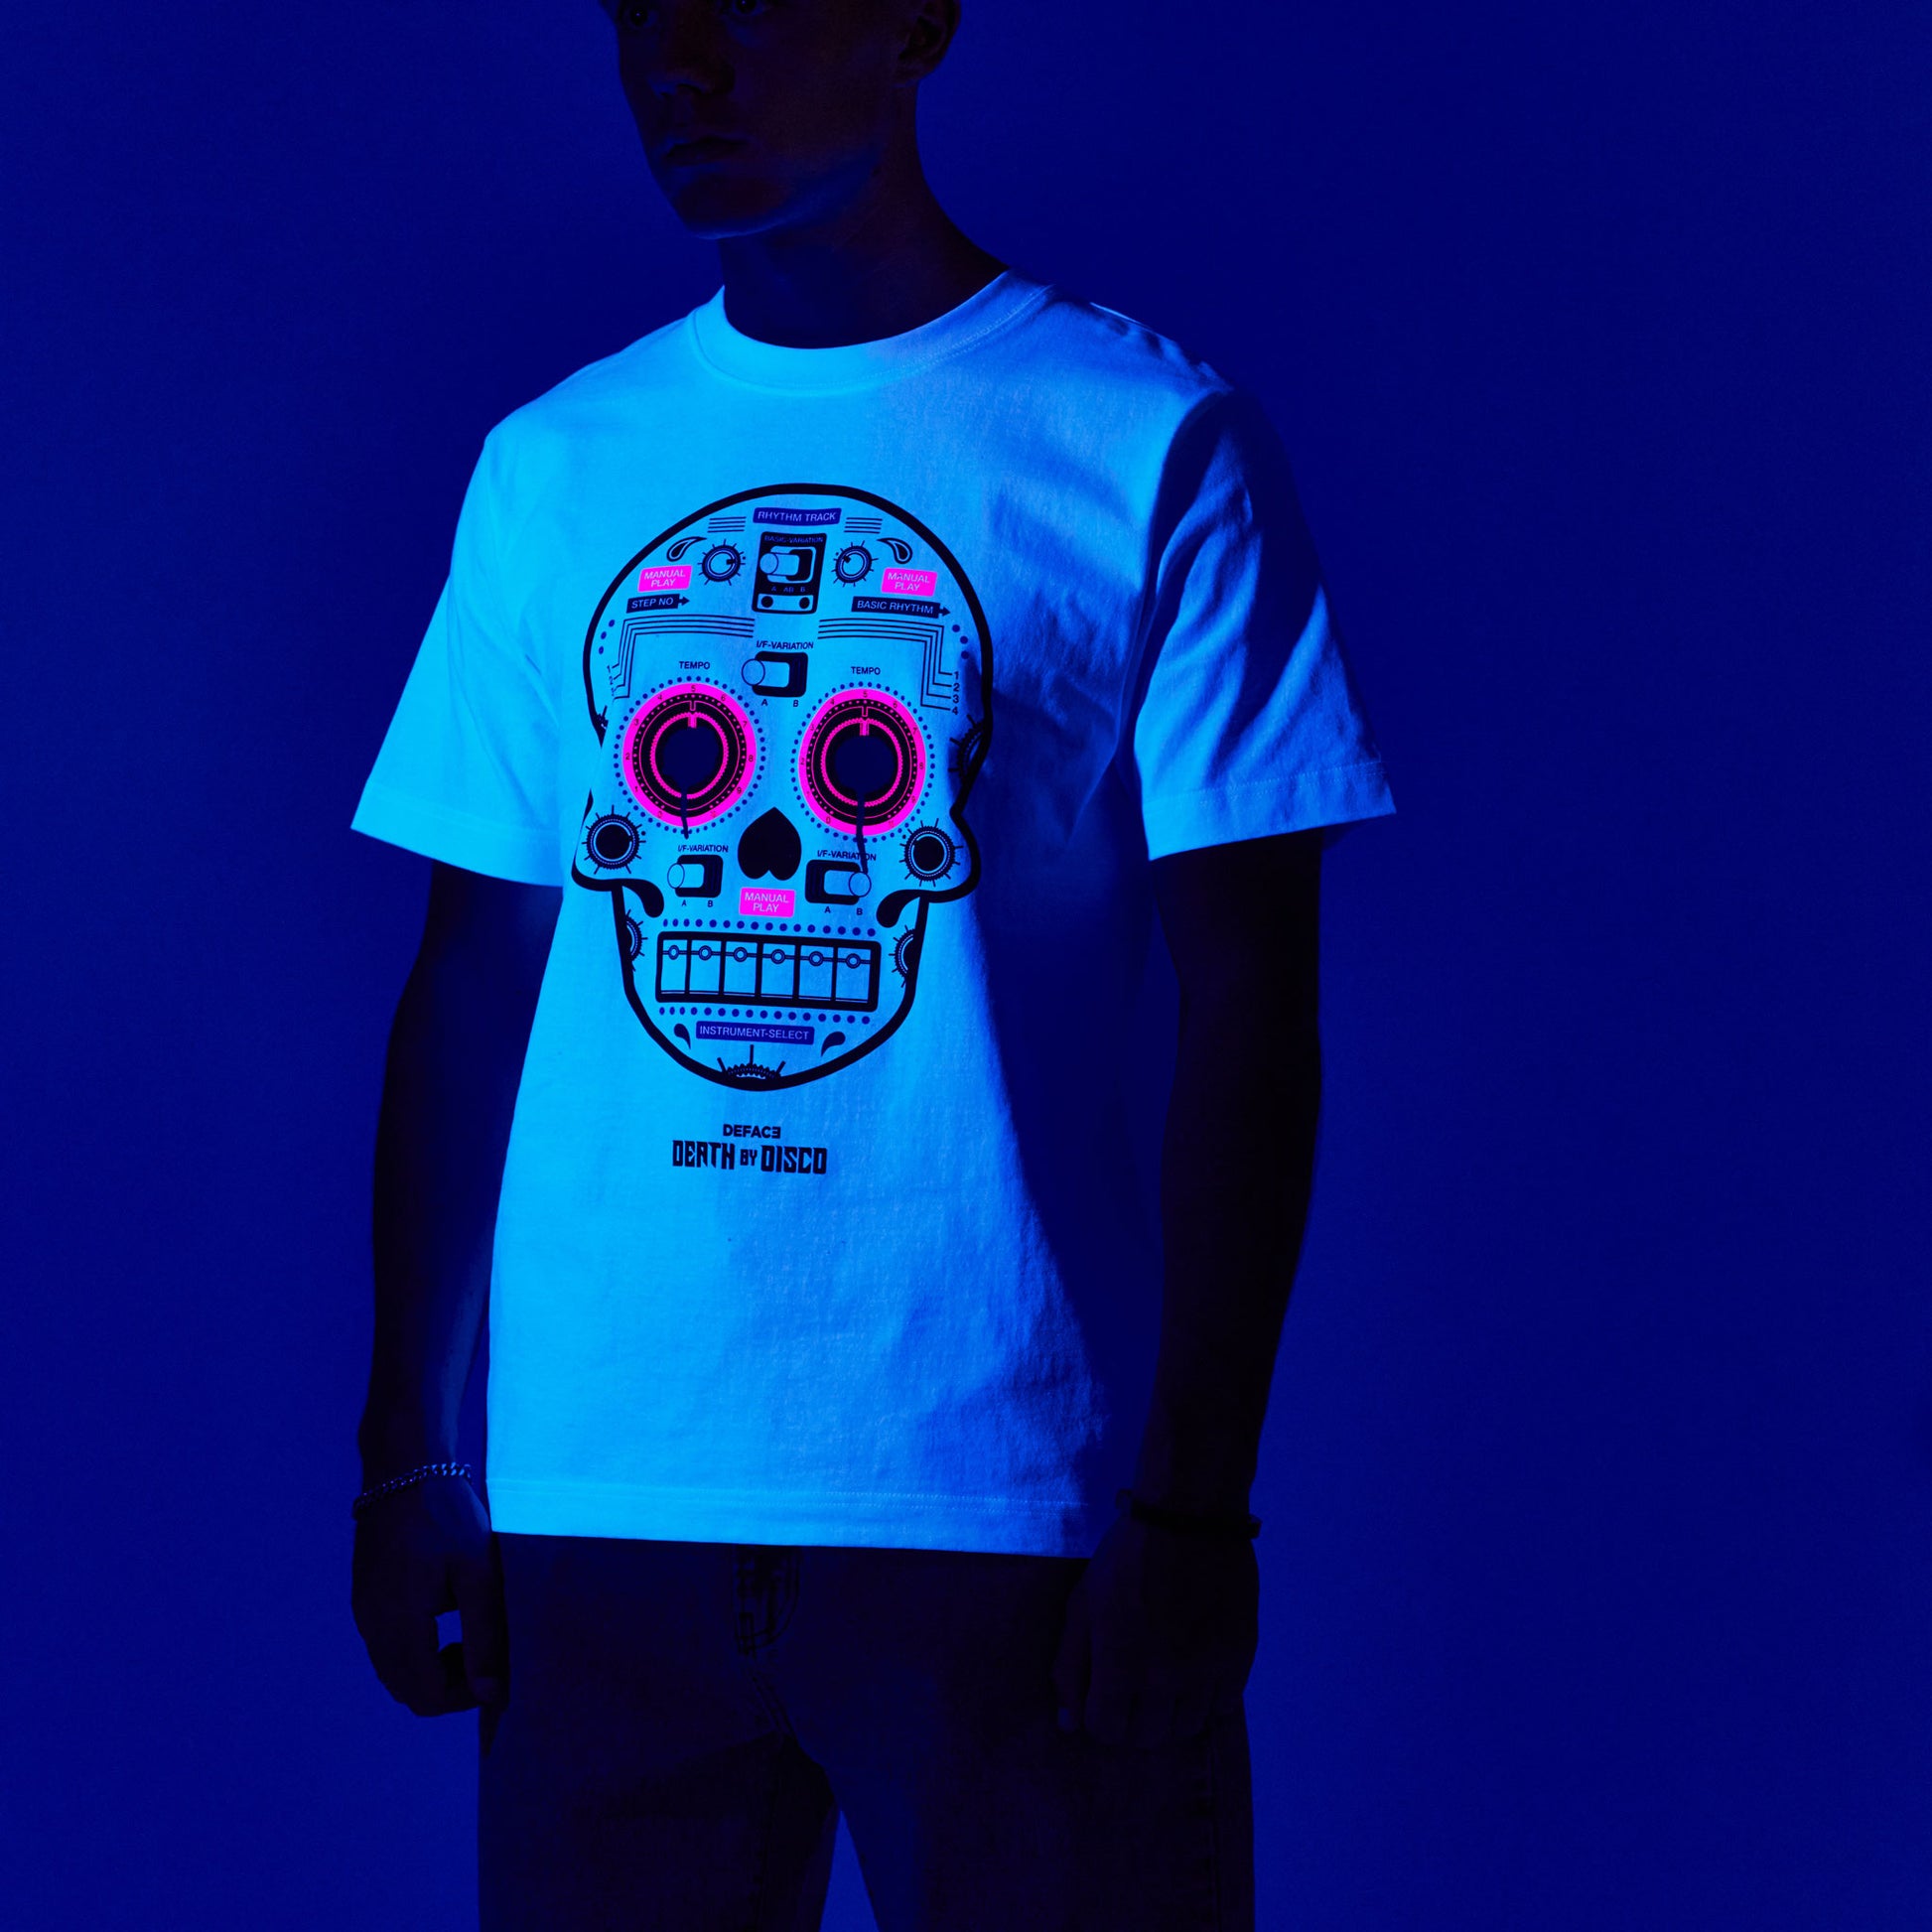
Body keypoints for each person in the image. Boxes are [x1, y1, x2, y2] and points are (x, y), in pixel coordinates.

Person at [348, 1, 1393, 1925]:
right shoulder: (552, 467)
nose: (680, 64)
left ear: (918, 16)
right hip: (603, 1506)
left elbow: (1254, 1007)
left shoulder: (1146, 441)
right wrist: (408, 1446)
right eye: (640, 11)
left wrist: (1191, 1495)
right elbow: (478, 974)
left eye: (747, 1)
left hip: (1008, 1503)